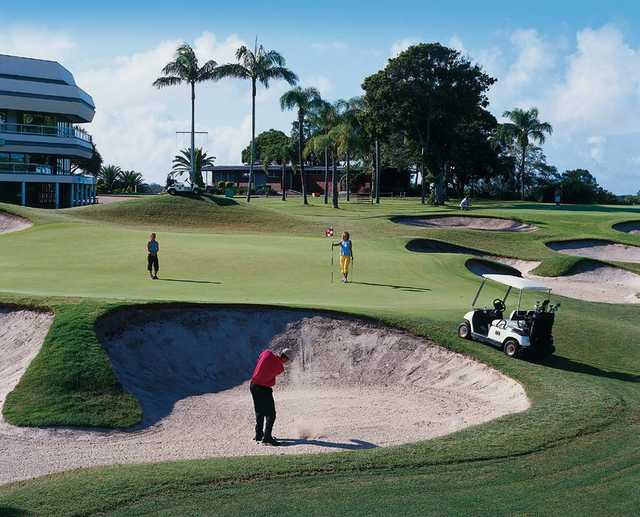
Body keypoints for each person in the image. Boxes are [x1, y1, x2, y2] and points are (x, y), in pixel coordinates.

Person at [250, 348, 291, 446]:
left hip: (253, 385)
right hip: (263, 388)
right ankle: (267, 438)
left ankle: (259, 435)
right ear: (286, 359)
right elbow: (271, 381)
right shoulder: (280, 368)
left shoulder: (266, 352)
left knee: (259, 411)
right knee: (271, 414)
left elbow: (259, 360)